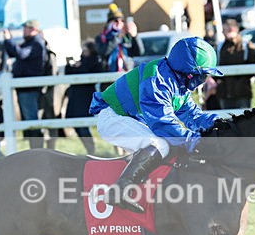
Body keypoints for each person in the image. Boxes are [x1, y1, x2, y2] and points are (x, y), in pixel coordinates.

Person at [89, 37, 222, 213]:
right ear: (189, 72)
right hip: (113, 117)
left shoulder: (177, 82)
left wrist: (219, 123)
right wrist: (194, 140)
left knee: (171, 145)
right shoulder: (157, 79)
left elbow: (192, 115)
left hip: (130, 119)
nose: (205, 79)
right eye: (203, 75)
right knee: (159, 144)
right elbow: (162, 122)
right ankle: (119, 191)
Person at [4, 19, 47, 149]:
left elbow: (21, 54)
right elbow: (14, 53)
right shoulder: (30, 42)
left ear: (34, 29)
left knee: (31, 120)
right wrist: (8, 41)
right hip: (25, 88)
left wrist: (8, 40)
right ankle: (34, 150)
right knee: (28, 120)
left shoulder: (36, 43)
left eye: (27, 28)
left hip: (29, 88)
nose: (24, 31)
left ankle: (37, 150)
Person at [64, 40, 104, 155]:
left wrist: (78, 66)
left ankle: (91, 150)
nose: (83, 52)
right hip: (75, 96)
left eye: (85, 49)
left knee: (82, 125)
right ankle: (90, 149)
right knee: (76, 124)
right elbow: (69, 72)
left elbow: (88, 71)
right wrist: (71, 65)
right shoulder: (81, 61)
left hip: (84, 97)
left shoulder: (95, 60)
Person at [215, 18, 255, 109]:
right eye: (226, 30)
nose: (228, 32)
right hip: (224, 92)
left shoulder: (246, 46)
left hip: (242, 92)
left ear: (237, 30)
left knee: (243, 121)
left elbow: (253, 68)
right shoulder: (219, 47)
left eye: (231, 29)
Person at [95, 4, 143, 77]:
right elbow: (104, 51)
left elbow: (139, 52)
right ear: (109, 23)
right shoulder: (102, 38)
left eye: (122, 21)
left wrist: (135, 36)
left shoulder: (127, 37)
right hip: (109, 77)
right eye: (116, 21)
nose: (119, 23)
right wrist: (118, 37)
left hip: (127, 74)